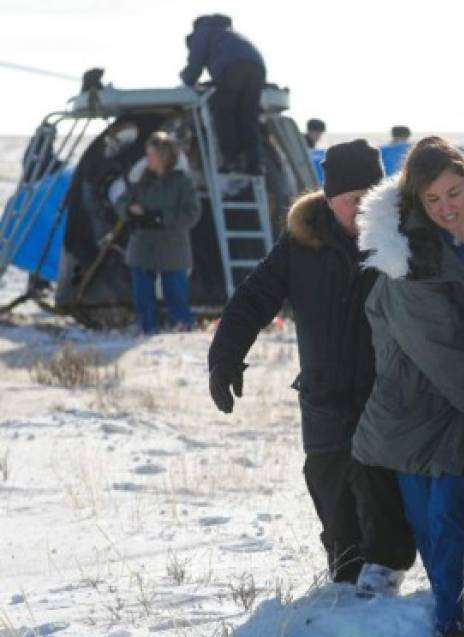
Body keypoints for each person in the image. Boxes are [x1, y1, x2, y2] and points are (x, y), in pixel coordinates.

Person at [206, 140, 416, 592]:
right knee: (329, 484)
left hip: (383, 391)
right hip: (323, 393)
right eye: (349, 200)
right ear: (329, 199)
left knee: (378, 483)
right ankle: (345, 568)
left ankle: (385, 570)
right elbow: (253, 298)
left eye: (368, 197)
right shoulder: (301, 243)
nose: (360, 208)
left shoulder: (401, 237)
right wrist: (224, 358)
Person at [354, 136, 464, 637]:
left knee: (456, 518)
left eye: (454, 191)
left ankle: (457, 610)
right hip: (419, 405)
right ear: (416, 204)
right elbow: (447, 354)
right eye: (433, 200)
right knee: (442, 520)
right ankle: (454, 625)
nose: (447, 207)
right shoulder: (408, 259)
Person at [114, 132, 201, 334]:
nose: (148, 159)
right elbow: (121, 202)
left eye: (152, 154)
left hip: (172, 249)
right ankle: (148, 331)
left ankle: (182, 333)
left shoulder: (182, 183)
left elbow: (192, 213)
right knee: (142, 297)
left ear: (163, 156)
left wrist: (160, 217)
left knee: (176, 297)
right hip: (143, 248)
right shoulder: (142, 180)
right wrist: (129, 210)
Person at [180, 14, 266, 174]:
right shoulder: (228, 34)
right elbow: (238, 58)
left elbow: (195, 66)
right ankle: (254, 163)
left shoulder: (202, 32)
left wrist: (186, 81)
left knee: (224, 113)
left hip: (232, 69)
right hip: (257, 68)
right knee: (247, 116)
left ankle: (231, 160)